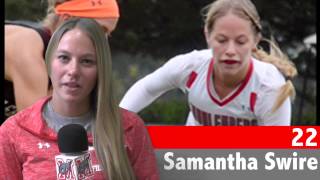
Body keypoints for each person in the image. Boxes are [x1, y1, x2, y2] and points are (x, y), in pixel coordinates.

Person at [0, 18, 159, 180]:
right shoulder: (14, 131)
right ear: (48, 63)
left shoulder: (130, 128)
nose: (73, 70)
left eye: (86, 61)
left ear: (101, 69)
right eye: (64, 58)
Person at [120, 0, 297, 126]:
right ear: (207, 35)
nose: (230, 50)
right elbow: (147, 88)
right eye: (221, 40)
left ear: (255, 40)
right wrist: (116, 123)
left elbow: (276, 157)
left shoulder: (270, 88)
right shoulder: (191, 67)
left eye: (241, 41)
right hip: (193, 162)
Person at [4, 0, 119, 121]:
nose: (103, 41)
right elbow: (33, 128)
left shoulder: (59, 61)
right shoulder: (28, 46)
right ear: (66, 19)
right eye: (100, 29)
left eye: (107, 34)